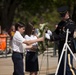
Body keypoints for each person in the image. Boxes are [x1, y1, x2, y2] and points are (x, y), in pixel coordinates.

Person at [45, 6, 76, 75]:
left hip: (68, 47)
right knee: (61, 66)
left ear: (67, 14)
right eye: (61, 16)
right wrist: (50, 34)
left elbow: (64, 35)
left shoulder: (71, 24)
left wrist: (52, 38)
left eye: (63, 15)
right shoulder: (61, 23)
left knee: (68, 67)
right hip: (61, 46)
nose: (62, 17)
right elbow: (56, 32)